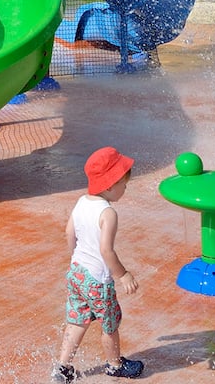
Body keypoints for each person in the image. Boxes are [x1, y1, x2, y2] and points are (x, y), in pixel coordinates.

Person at [53, 146, 145, 380]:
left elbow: (68, 232)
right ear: (110, 184)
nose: (125, 188)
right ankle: (115, 364)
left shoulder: (82, 201)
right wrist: (122, 275)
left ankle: (62, 367)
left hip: (77, 273)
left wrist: (76, 258)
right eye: (124, 183)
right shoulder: (108, 213)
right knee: (109, 324)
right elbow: (106, 250)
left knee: (78, 320)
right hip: (97, 281)